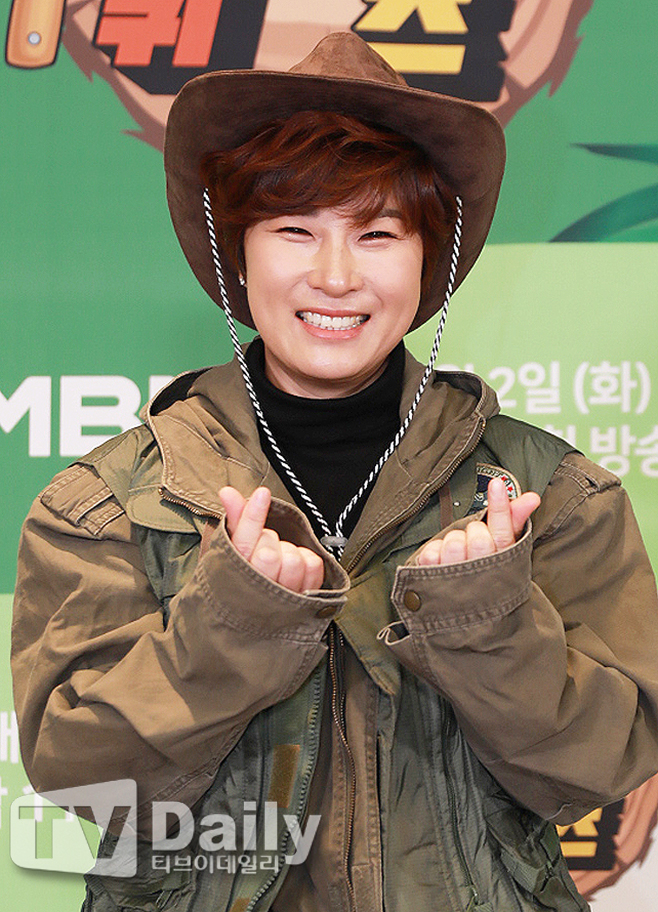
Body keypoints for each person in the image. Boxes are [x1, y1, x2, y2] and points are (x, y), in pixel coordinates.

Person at [11, 31, 658, 912]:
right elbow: (84, 781)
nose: (336, 275)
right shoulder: (108, 505)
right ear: (239, 254)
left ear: (429, 259)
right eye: (294, 231)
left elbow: (600, 771)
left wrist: (487, 626)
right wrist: (231, 625)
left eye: (378, 233)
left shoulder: (553, 497)